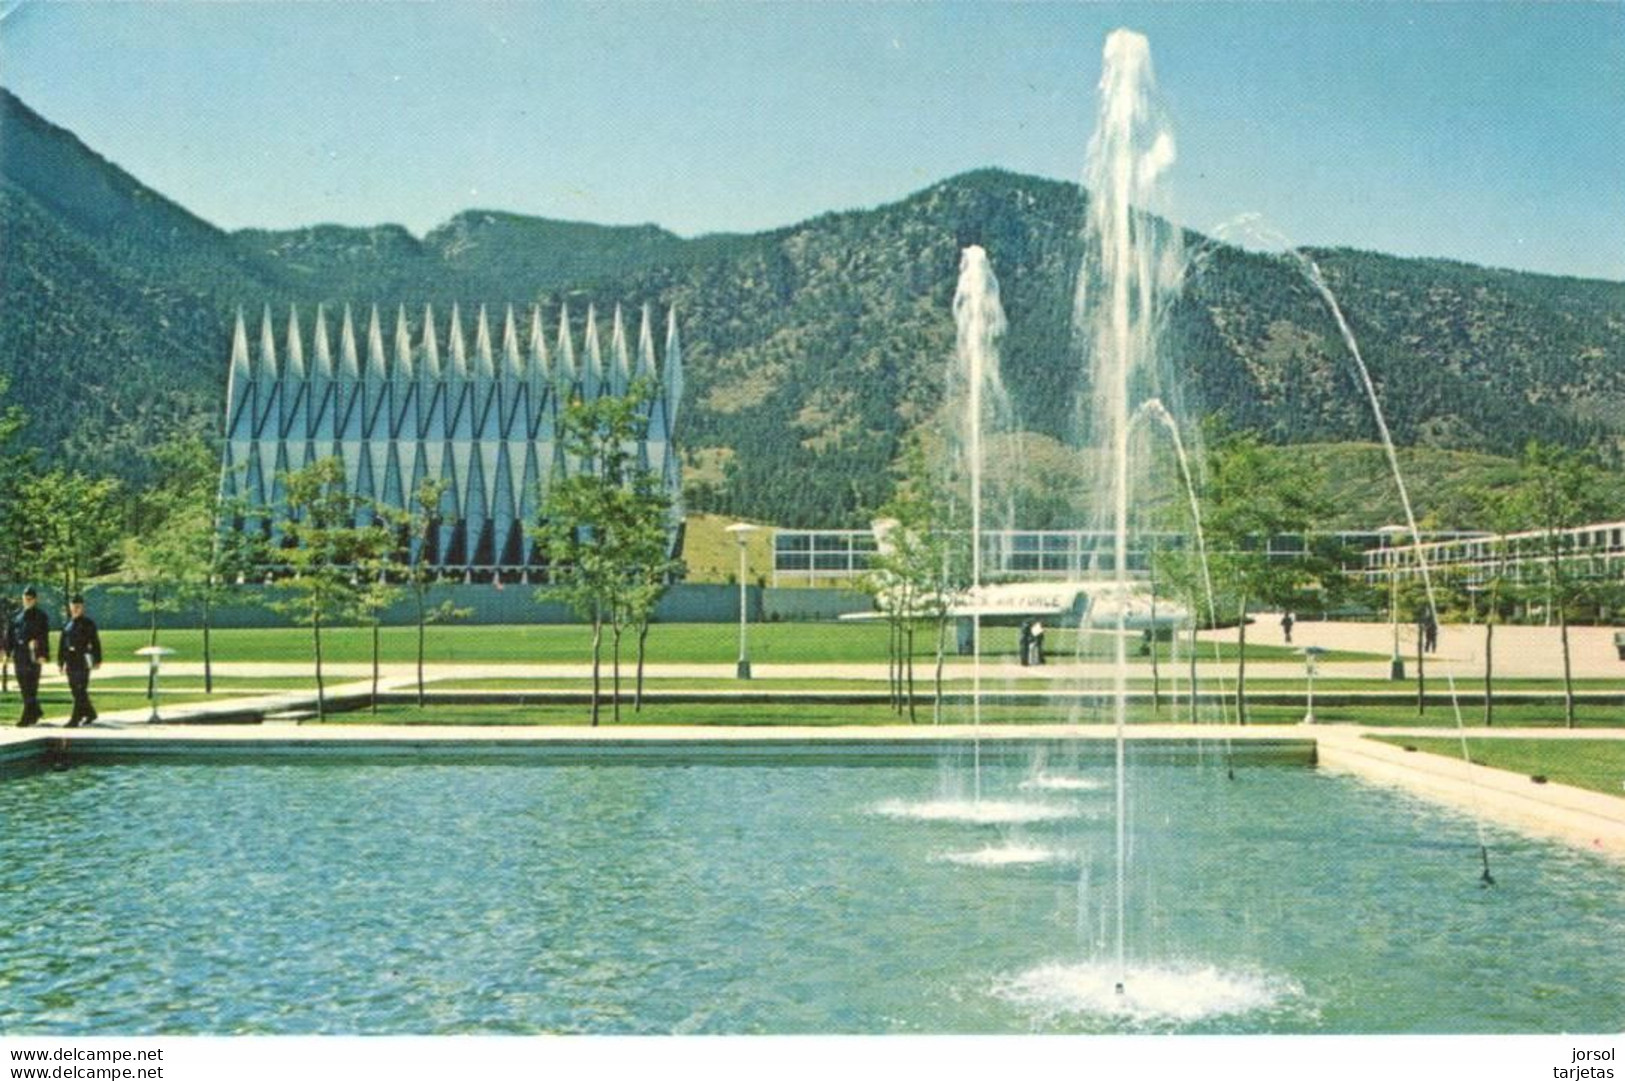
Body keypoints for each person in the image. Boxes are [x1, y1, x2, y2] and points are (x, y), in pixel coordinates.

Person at [7, 586, 51, 726]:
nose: (27, 600)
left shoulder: (40, 616)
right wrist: (6, 652)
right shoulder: (17, 616)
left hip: (33, 655)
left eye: (30, 598)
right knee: (23, 685)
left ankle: (27, 716)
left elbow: (44, 636)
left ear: (35, 599)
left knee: (31, 685)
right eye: (25, 598)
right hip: (19, 655)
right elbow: (10, 636)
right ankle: (35, 711)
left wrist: (43, 654)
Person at [58, 593, 103, 727]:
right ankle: (90, 713)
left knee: (80, 688)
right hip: (71, 659)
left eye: (78, 606)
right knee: (75, 689)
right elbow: (62, 645)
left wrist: (97, 659)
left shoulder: (88, 624)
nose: (76, 608)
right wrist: (61, 662)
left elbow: (95, 642)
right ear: (70, 607)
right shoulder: (67, 624)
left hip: (82, 659)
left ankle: (75, 718)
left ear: (82, 607)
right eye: (73, 606)